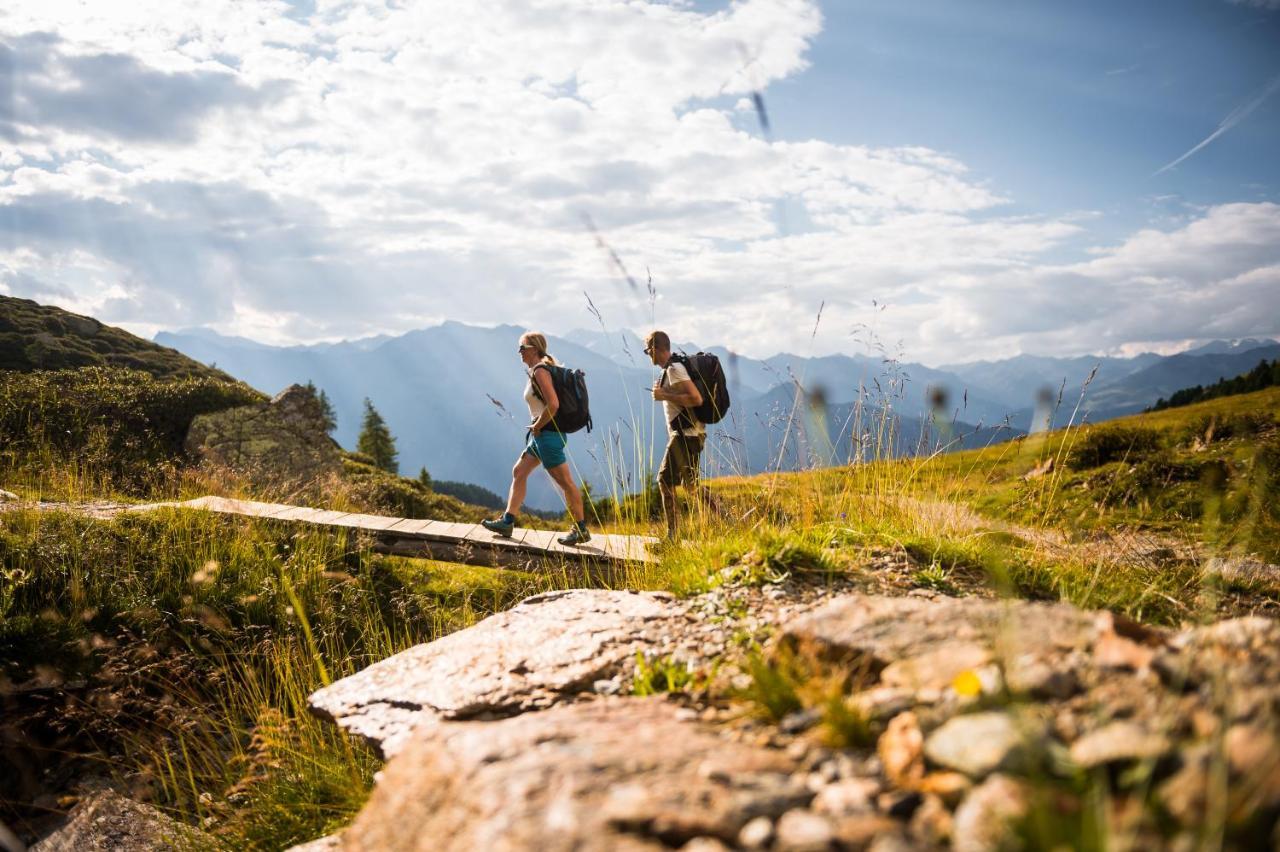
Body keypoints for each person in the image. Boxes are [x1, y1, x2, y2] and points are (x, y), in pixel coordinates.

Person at [481, 332, 591, 546]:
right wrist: (537, 428)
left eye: (522, 348)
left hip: (547, 435)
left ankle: (581, 529)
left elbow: (554, 404)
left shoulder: (541, 370)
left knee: (565, 483)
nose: (519, 352)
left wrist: (537, 425)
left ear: (533, 348)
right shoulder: (536, 370)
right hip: (541, 436)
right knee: (519, 471)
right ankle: (507, 521)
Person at [646, 330, 707, 538]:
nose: (648, 355)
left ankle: (672, 537)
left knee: (664, 481)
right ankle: (725, 517)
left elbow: (696, 398)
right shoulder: (671, 369)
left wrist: (664, 394)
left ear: (655, 349)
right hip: (692, 434)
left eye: (648, 351)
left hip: (684, 435)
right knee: (691, 485)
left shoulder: (674, 369)